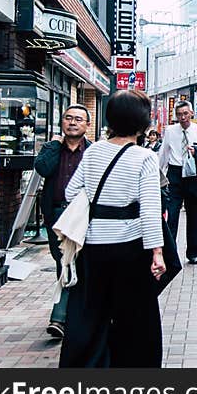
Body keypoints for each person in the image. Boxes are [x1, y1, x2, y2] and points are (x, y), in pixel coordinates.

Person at [58, 90, 165, 367]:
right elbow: (150, 210)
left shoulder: (93, 151)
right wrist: (157, 252)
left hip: (93, 245)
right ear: (142, 123)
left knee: (92, 311)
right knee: (136, 315)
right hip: (130, 246)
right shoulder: (144, 157)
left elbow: (71, 192)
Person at [33, 104, 91, 340]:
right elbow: (43, 168)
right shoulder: (51, 148)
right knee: (63, 262)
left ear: (87, 125)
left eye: (79, 119)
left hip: (81, 214)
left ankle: (61, 317)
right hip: (56, 214)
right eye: (69, 118)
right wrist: (56, 145)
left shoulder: (92, 152)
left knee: (76, 262)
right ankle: (66, 316)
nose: (73, 123)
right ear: (62, 123)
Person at [158, 100, 197, 265]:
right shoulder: (170, 131)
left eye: (185, 114)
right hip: (175, 174)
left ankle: (193, 252)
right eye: (179, 114)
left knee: (193, 216)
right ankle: (170, 252)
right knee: (172, 215)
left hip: (194, 175)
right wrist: (158, 175)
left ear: (191, 114)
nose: (182, 117)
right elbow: (164, 153)